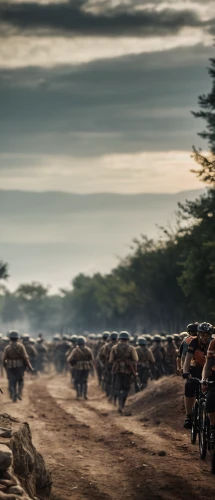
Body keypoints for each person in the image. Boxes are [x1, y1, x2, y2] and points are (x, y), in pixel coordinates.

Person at [183, 322, 213, 429]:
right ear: (198, 334)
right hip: (196, 369)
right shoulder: (194, 342)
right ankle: (189, 416)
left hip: (210, 371)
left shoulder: (213, 343)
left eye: (207, 335)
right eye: (202, 335)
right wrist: (185, 372)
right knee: (189, 386)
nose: (205, 337)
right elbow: (187, 358)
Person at [109, 331, 138, 414]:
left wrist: (117, 362)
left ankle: (119, 405)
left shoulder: (114, 348)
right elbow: (135, 359)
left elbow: (111, 360)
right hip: (127, 371)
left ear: (119, 339)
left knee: (117, 388)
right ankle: (122, 406)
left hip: (117, 371)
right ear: (128, 339)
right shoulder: (131, 348)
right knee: (125, 389)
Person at [3, 330, 33, 402]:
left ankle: (13, 392)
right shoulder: (21, 346)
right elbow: (25, 358)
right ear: (18, 338)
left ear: (10, 338)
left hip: (10, 367)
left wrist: (6, 368)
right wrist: (30, 366)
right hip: (20, 367)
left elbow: (4, 359)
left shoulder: (7, 348)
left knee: (11, 381)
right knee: (21, 381)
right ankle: (19, 392)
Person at [202, 330, 215, 441]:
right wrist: (204, 379)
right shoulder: (213, 343)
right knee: (210, 401)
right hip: (214, 376)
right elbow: (209, 363)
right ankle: (213, 428)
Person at [99, 331, 118, 399]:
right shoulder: (120, 346)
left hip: (109, 365)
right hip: (118, 366)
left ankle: (108, 394)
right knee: (116, 381)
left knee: (108, 380)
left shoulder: (105, 346)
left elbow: (101, 356)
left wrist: (104, 363)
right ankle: (114, 396)